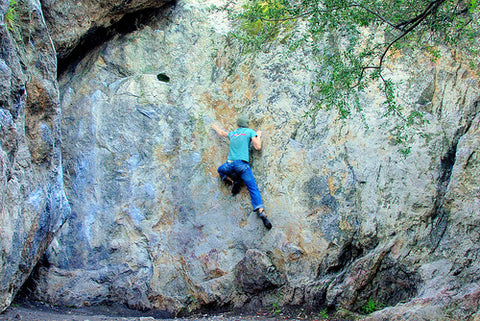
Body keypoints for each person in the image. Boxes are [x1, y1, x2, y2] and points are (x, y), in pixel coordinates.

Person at [212, 115, 272, 230]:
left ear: (238, 125)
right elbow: (257, 146)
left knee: (220, 170)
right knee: (252, 187)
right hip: (242, 166)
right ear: (247, 125)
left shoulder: (233, 133)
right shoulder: (249, 132)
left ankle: (233, 180)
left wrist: (214, 127)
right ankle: (261, 212)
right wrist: (258, 135)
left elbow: (222, 133)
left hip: (229, 165)